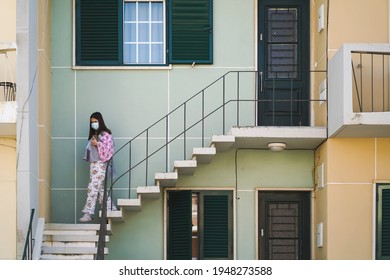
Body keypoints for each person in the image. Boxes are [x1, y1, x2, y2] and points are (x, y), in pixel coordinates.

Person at [79, 112, 117, 222]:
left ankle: (88, 213)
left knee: (93, 188)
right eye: (92, 122)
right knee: (99, 189)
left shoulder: (106, 135)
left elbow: (109, 150)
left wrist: (97, 144)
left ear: (100, 121)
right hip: (94, 165)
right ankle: (111, 208)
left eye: (95, 122)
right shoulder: (95, 135)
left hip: (101, 165)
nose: (94, 124)